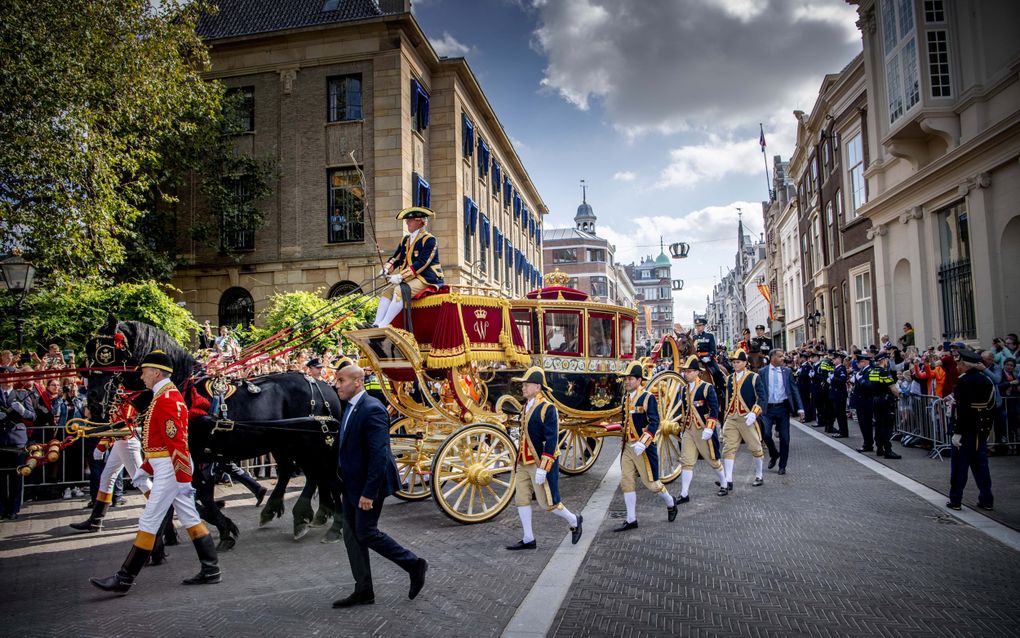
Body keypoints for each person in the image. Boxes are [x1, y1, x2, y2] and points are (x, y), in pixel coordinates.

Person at [90, 350, 220, 593]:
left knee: (149, 519)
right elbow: (159, 442)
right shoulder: (162, 396)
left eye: (144, 372)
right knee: (190, 517)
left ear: (156, 372)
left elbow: (178, 443)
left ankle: (125, 577)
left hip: (171, 469)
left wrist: (181, 478)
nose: (141, 377)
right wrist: (145, 467)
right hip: (166, 466)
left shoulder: (167, 399)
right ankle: (211, 569)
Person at [331, 364, 427, 608]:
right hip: (351, 485)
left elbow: (378, 455)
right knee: (352, 535)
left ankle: (414, 564)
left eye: (341, 380)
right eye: (337, 380)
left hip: (367, 486)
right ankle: (363, 590)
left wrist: (368, 493)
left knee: (366, 532)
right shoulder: (350, 407)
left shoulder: (372, 409)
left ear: (357, 382)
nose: (337, 385)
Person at [505, 367, 582, 549]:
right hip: (523, 461)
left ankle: (574, 521)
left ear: (538, 387)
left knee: (548, 503)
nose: (523, 388)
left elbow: (552, 441)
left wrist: (544, 467)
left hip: (539, 463)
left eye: (527, 384)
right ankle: (528, 538)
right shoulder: (526, 407)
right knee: (521, 498)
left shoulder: (548, 409)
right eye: (523, 385)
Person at [71, 394, 151, 532]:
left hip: (127, 442)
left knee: (141, 481)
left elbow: (120, 425)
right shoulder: (119, 397)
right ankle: (96, 520)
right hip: (121, 443)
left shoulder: (126, 399)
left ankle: (165, 514)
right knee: (106, 478)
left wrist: (102, 445)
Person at [614, 361, 677, 530]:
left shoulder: (648, 397)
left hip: (642, 448)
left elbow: (654, 422)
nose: (626, 382)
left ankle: (671, 502)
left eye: (630, 379)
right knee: (626, 481)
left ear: (639, 380)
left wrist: (643, 442)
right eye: (625, 379)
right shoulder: (626, 398)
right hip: (628, 447)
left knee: (652, 485)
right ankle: (631, 519)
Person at [371, 206, 445, 328]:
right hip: (410, 278)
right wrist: (387, 268)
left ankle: (384, 325)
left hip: (426, 278)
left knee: (400, 291)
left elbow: (422, 262)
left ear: (420, 221)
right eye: (407, 220)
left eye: (410, 220)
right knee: (386, 292)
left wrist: (400, 276)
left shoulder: (429, 240)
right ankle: (376, 323)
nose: (406, 222)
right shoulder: (405, 239)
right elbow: (396, 258)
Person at [947, 348, 996, 510]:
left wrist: (957, 432)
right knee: (981, 467)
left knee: (960, 468)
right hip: (981, 429)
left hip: (966, 430)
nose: (957, 366)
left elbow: (963, 410)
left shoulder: (963, 381)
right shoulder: (986, 381)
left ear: (966, 364)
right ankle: (986, 499)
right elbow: (991, 406)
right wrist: (987, 428)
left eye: (959, 363)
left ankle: (955, 500)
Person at [674, 356, 728, 503]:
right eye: (685, 371)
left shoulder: (706, 387)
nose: (686, 374)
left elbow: (714, 409)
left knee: (712, 459)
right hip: (689, 429)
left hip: (703, 429)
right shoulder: (683, 389)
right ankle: (684, 493)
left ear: (697, 372)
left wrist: (710, 428)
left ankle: (724, 483)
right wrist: (681, 427)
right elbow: (683, 410)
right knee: (686, 461)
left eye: (690, 371)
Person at [720, 350, 767, 490]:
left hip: (747, 417)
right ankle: (728, 479)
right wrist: (725, 416)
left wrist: (754, 413)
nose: (735, 364)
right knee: (728, 447)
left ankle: (759, 475)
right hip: (732, 417)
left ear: (745, 363)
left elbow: (762, 397)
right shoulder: (728, 379)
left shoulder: (754, 377)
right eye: (733, 362)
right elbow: (728, 398)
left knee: (755, 447)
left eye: (738, 362)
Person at [758, 349, 805, 475]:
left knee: (785, 438)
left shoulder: (787, 371)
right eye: (780, 356)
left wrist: (800, 408)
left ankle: (782, 465)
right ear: (772, 358)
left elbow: (794, 390)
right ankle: (774, 454)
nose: (783, 358)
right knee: (766, 435)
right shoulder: (762, 372)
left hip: (783, 408)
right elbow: (758, 391)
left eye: (783, 356)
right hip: (767, 409)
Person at [0, 367, 35, 520]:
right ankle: (1, 509)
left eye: (10, 376)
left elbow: (33, 416)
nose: (7, 379)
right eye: (3, 376)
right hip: (0, 439)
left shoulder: (22, 394)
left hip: (17, 441)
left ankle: (13, 509)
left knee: (17, 476)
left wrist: (23, 412)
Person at [868, 352, 902, 459]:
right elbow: (893, 388)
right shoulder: (884, 372)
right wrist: (899, 395)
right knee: (886, 426)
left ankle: (879, 448)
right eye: (887, 360)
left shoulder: (873, 371)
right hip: (885, 401)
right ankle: (888, 450)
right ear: (884, 360)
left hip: (875, 400)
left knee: (878, 425)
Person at [692, 318, 725, 394]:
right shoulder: (694, 338)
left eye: (700, 326)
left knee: (717, 371)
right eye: (697, 326)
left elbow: (713, 350)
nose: (698, 328)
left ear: (704, 326)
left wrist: (708, 357)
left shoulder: (709, 336)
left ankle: (720, 389)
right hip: (698, 360)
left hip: (708, 360)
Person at [851, 353, 875, 452]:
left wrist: (860, 380)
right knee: (863, 423)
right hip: (861, 401)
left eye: (859, 362)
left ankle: (868, 444)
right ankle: (867, 443)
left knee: (866, 424)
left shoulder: (869, 371)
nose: (857, 364)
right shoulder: (862, 371)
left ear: (864, 362)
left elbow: (869, 386)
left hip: (866, 401)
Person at [828, 352, 850, 438]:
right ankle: (842, 430)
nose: (833, 360)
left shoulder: (841, 368)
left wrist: (833, 378)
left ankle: (843, 432)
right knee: (838, 413)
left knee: (841, 413)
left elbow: (842, 380)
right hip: (836, 393)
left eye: (834, 359)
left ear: (839, 359)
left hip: (840, 394)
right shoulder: (836, 368)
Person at [796, 352, 815, 423]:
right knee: (803, 402)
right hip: (801, 386)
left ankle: (808, 417)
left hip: (805, 387)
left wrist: (799, 373)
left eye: (801, 357)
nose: (800, 359)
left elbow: (805, 375)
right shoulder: (802, 366)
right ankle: (805, 416)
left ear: (804, 358)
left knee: (806, 402)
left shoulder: (807, 366)